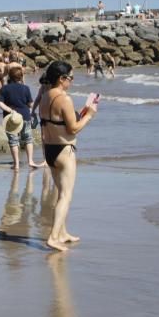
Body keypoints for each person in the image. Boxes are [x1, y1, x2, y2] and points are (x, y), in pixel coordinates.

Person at [38, 62, 97, 251]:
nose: (71, 82)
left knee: (60, 193)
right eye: (70, 78)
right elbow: (73, 128)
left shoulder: (45, 96)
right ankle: (53, 237)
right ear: (61, 79)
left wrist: (80, 114)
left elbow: (59, 121)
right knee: (65, 195)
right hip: (65, 150)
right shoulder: (64, 98)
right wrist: (89, 116)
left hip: (49, 149)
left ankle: (62, 232)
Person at [0, 66, 44, 170]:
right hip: (25, 116)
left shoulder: (4, 88)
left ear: (9, 76)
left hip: (10, 118)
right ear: (21, 77)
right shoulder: (25, 88)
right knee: (28, 139)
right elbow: (31, 104)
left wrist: (9, 110)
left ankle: (16, 164)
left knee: (13, 140)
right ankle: (30, 161)